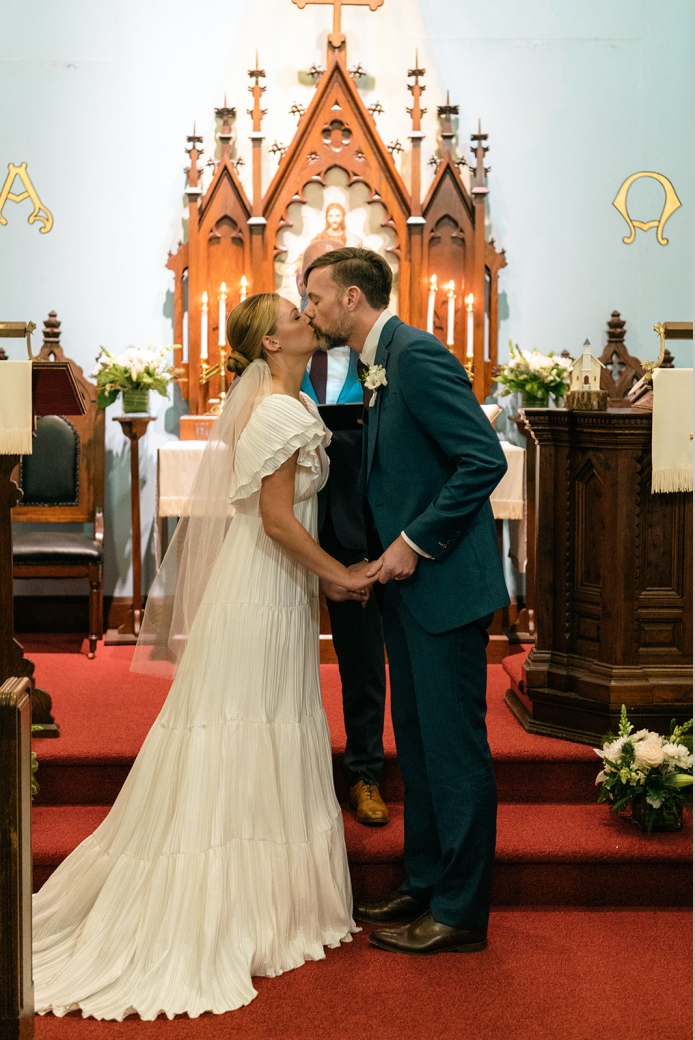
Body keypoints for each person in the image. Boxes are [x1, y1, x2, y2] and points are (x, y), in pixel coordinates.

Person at [32, 293, 376, 1019]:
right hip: (265, 591)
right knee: (247, 726)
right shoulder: (279, 412)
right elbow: (280, 522)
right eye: (293, 314)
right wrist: (340, 577)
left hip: (270, 593)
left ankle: (266, 895)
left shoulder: (285, 401)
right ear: (270, 345)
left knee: (260, 725)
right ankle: (237, 904)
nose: (306, 318)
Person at [302, 246, 509, 956]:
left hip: (444, 587)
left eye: (317, 297)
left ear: (353, 298)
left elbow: (483, 458)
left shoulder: (414, 356)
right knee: (417, 749)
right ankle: (425, 880)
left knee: (453, 752)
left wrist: (413, 542)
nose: (310, 310)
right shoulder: (376, 362)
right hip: (408, 593)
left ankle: (459, 911)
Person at [296, 237, 389, 827]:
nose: (310, 298)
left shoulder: (376, 353)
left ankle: (364, 773)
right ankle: (289, 777)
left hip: (355, 526)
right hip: (295, 521)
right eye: (306, 280)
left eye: (319, 285)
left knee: (361, 658)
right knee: (277, 652)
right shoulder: (287, 345)